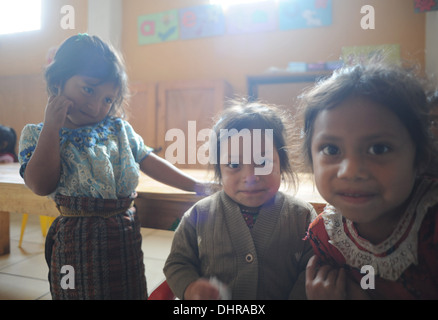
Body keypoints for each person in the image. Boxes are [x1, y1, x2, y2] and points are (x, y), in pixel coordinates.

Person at [18, 34, 215, 300]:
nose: (97, 105)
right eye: (89, 90)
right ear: (57, 83)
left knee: (129, 292)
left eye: (108, 99)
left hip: (123, 237)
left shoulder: (118, 129)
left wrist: (195, 186)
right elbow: (41, 185)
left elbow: (148, 160)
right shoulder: (37, 134)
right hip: (75, 242)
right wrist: (52, 127)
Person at [299, 62, 438, 299]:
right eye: (331, 149)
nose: (350, 171)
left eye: (379, 148)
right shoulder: (325, 234)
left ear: (420, 157)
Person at [163, 100, 317, 300]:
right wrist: (190, 288)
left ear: (282, 162)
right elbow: (177, 262)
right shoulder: (198, 215)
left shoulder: (302, 217)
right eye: (234, 164)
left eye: (263, 162)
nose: (251, 176)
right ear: (219, 169)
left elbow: (311, 271)